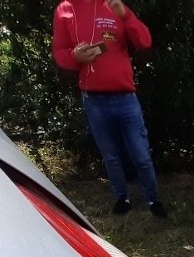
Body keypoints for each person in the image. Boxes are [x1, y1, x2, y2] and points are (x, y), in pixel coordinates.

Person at [53, 0, 166, 217]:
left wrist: (125, 15)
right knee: (110, 156)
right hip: (94, 100)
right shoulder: (64, 10)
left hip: (126, 98)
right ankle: (122, 199)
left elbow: (144, 41)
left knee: (141, 155)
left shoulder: (113, 5)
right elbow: (60, 52)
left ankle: (154, 201)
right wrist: (75, 57)